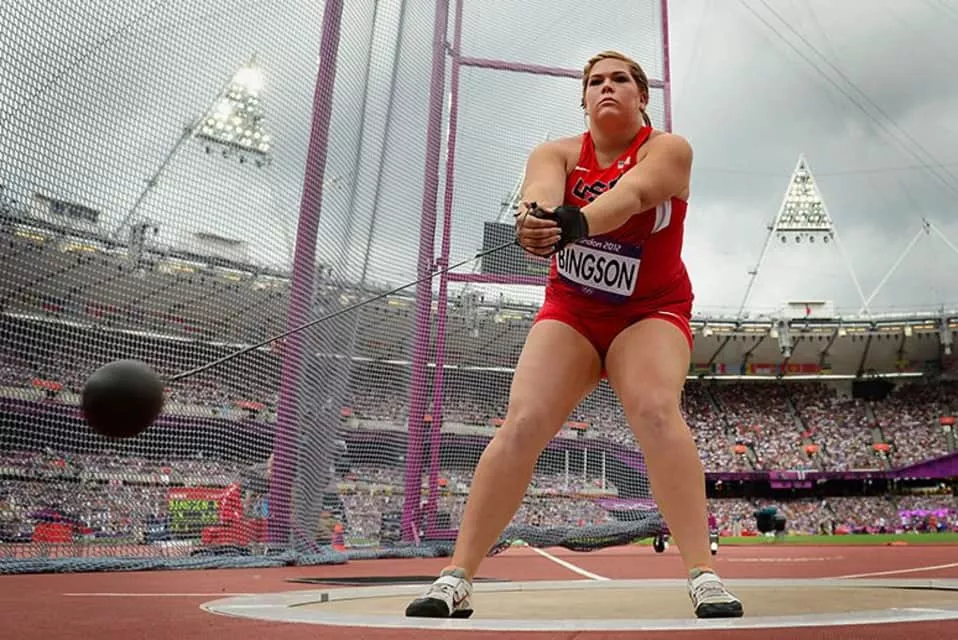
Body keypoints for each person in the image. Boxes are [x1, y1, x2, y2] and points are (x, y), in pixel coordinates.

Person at [404, 50, 743, 620]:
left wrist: (578, 222)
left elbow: (633, 196)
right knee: (523, 421)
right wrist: (535, 222)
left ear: (642, 97)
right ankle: (455, 577)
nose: (606, 87)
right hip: (573, 309)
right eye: (595, 82)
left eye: (620, 79)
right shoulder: (557, 153)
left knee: (656, 411)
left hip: (649, 310)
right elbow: (539, 193)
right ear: (583, 99)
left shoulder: (669, 150)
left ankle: (703, 575)